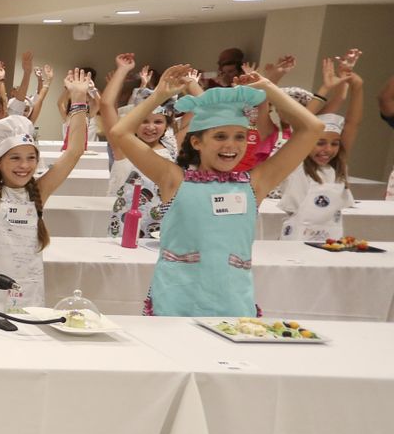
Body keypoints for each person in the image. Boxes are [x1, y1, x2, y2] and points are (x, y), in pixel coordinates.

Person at [108, 64, 322, 316]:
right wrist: (158, 96)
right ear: (197, 142)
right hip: (177, 298)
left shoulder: (255, 184)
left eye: (240, 137)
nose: (231, 146)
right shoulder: (174, 179)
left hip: (232, 301)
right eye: (220, 136)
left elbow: (312, 129)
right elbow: (119, 132)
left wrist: (268, 88)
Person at [0, 64, 93, 309]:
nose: (24, 165)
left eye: (31, 158)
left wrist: (78, 100)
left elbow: (74, 151)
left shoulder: (39, 192)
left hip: (27, 290)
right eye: (15, 158)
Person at [277, 58, 362, 241]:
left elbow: (353, 123)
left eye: (334, 143)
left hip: (332, 239)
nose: (328, 149)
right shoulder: (296, 161)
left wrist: (357, 86)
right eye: (320, 142)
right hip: (295, 239)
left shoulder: (337, 167)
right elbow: (303, 121)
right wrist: (325, 88)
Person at [98, 52, 181, 239]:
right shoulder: (123, 148)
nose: (151, 128)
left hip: (160, 228)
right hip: (123, 226)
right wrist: (122, 70)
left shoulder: (173, 150)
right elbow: (105, 104)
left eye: (158, 122)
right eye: (144, 121)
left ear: (167, 125)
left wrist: (190, 84)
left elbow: (199, 118)